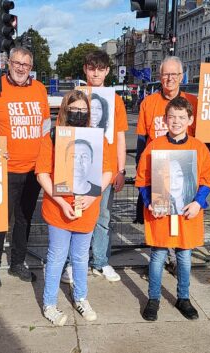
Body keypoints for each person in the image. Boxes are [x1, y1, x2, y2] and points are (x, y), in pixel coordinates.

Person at [36, 90, 112, 326]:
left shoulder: (100, 138)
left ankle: (81, 297)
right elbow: (42, 174)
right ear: (65, 110)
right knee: (57, 257)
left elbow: (108, 171)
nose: (78, 114)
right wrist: (60, 201)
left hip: (86, 208)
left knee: (80, 257)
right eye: (74, 109)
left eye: (83, 110)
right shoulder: (52, 136)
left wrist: (91, 197)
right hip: (59, 209)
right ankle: (49, 304)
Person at [135, 96, 210, 321]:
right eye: (172, 117)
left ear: (190, 120)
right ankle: (153, 298)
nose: (176, 121)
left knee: (184, 256)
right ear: (165, 119)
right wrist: (150, 201)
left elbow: (207, 180)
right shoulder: (154, 146)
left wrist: (198, 202)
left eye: (181, 117)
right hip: (161, 213)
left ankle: (183, 297)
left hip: (186, 213)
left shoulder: (198, 148)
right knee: (158, 255)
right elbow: (143, 179)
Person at [0, 47, 50, 288]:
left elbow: (45, 128)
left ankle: (17, 262)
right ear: (8, 64)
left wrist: (45, 163)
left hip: (33, 170)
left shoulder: (40, 89)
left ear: (31, 67)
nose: (21, 67)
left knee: (24, 219)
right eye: (17, 63)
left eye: (26, 64)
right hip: (4, 168)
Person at [61, 50, 128, 284]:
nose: (96, 73)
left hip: (106, 168)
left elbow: (120, 137)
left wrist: (121, 170)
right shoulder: (75, 96)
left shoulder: (116, 100)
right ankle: (71, 263)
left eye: (101, 69)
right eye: (92, 68)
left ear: (108, 71)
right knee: (75, 214)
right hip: (79, 163)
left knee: (103, 216)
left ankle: (100, 261)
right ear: (85, 70)